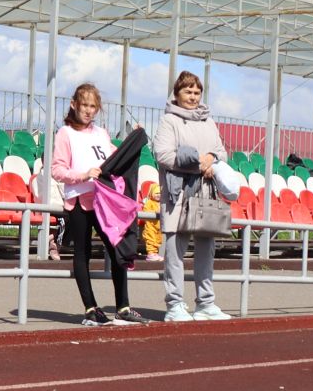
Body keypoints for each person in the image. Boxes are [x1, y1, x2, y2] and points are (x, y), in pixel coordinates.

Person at [49, 83, 142, 327]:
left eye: (93, 106)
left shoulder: (101, 133)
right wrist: (83, 175)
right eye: (85, 105)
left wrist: (134, 140)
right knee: (83, 253)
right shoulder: (65, 133)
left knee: (117, 250)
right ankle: (91, 308)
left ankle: (122, 307)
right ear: (74, 105)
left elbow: (115, 159)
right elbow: (57, 170)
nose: (89, 111)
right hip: (80, 202)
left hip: (104, 201)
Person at [154, 70, 232, 321]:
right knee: (175, 252)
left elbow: (221, 151)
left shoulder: (209, 122)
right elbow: (163, 155)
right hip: (178, 196)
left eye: (197, 92)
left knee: (206, 249)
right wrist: (197, 162)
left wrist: (213, 160)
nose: (193, 96)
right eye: (188, 91)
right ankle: (175, 304)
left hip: (206, 195)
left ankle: (206, 303)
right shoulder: (169, 121)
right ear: (177, 93)